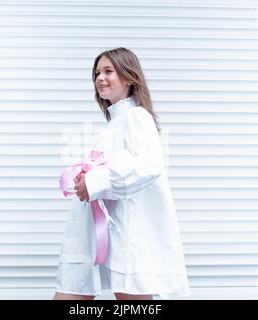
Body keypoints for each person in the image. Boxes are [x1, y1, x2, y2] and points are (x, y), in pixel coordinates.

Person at [53, 47, 190, 300]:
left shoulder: (136, 116)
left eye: (108, 71)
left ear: (128, 77)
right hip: (104, 233)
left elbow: (149, 165)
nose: (100, 78)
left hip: (128, 235)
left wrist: (94, 180)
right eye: (97, 73)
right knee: (74, 292)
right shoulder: (114, 124)